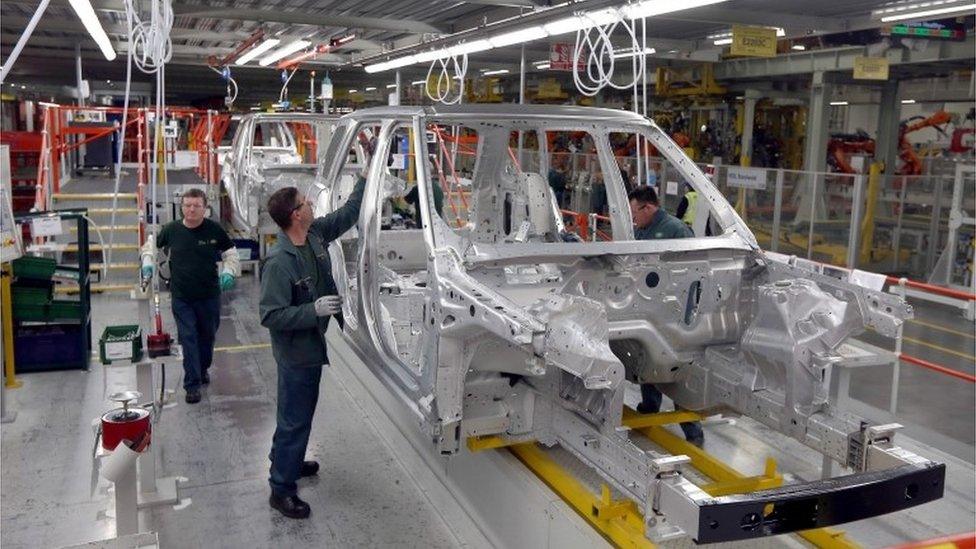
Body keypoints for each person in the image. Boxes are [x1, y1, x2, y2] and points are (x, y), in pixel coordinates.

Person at [259, 176, 366, 519]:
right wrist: (312, 310)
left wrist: (365, 178)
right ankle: (281, 490)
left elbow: (347, 214)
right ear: (295, 215)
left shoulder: (314, 234)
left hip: (310, 345)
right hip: (297, 352)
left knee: (294, 415)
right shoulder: (279, 261)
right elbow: (271, 315)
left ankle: (285, 460)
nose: (311, 204)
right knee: (295, 418)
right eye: (305, 203)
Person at [140, 188, 239, 404]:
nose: (191, 209)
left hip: (209, 295)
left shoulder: (214, 230)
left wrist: (229, 272)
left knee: (207, 337)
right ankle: (191, 385)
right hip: (182, 297)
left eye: (196, 206)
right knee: (188, 338)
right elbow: (150, 248)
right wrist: (147, 264)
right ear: (182, 207)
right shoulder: (171, 230)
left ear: (205, 208)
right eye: (187, 205)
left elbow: (231, 253)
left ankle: (202, 369)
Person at [628, 186, 704, 447]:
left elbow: (695, 271)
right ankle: (649, 410)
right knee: (648, 360)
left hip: (674, 316)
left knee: (677, 370)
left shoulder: (676, 230)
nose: (633, 218)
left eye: (635, 212)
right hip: (647, 310)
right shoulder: (642, 230)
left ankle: (692, 432)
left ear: (648, 208)